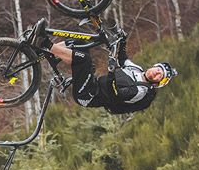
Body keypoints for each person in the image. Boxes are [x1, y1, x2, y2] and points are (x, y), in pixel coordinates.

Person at [48, 35, 176, 115]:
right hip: (93, 83)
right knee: (82, 42)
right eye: (158, 69)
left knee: (84, 59)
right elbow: (123, 58)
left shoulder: (141, 91)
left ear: (158, 82)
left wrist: (111, 72)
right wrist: (123, 41)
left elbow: (115, 94)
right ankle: (45, 52)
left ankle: (45, 44)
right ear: (154, 66)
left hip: (88, 95)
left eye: (160, 75)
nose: (156, 73)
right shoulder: (137, 69)